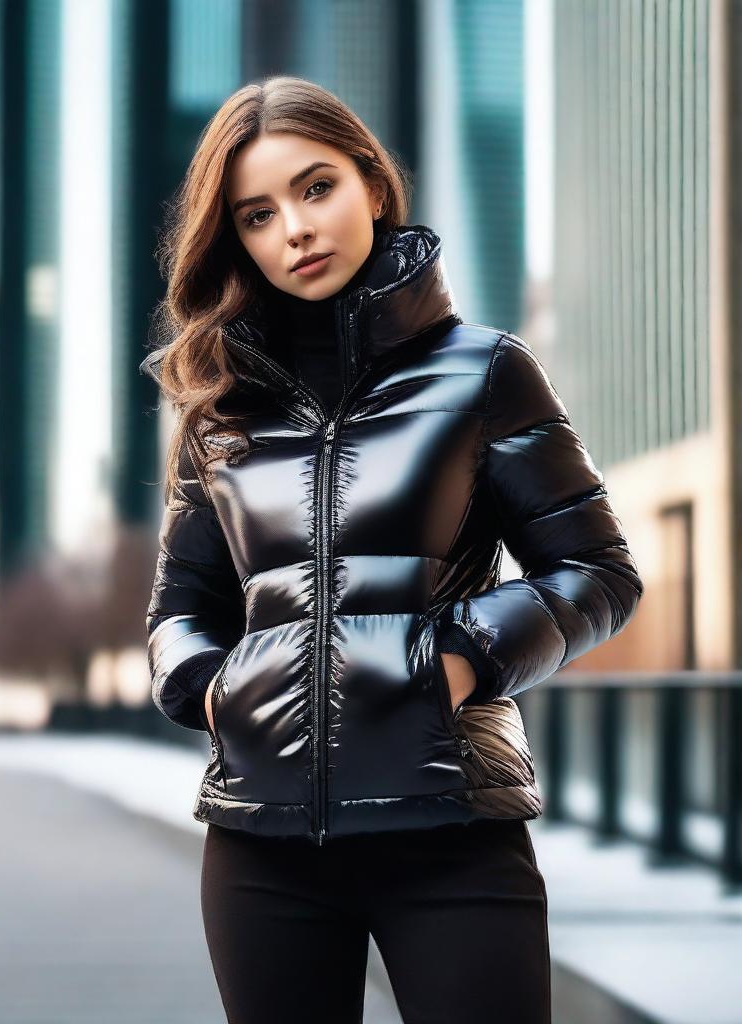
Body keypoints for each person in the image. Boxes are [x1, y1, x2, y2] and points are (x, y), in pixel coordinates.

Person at [140, 77, 644, 1024]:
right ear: (236, 237)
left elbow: (598, 573)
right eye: (258, 214)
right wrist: (212, 687)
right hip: (263, 843)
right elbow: (178, 610)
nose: (295, 227)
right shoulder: (220, 411)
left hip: (451, 825)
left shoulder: (486, 371)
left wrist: (460, 658)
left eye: (316, 187)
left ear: (372, 184)